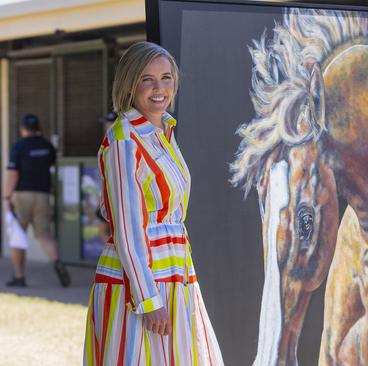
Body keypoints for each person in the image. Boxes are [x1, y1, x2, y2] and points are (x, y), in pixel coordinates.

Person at [83, 42, 224, 365]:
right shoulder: (124, 140)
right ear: (130, 84)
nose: (159, 88)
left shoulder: (163, 132)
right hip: (138, 287)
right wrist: (148, 299)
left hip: (175, 275)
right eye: (147, 79)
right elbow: (128, 229)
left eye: (166, 78)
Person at [3, 114, 70, 288]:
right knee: (44, 234)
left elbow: (12, 173)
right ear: (38, 127)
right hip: (43, 195)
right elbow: (52, 167)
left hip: (22, 195)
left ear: (22, 128)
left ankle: (19, 276)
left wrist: (6, 196)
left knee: (18, 236)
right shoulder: (47, 146)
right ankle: (57, 262)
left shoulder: (18, 146)